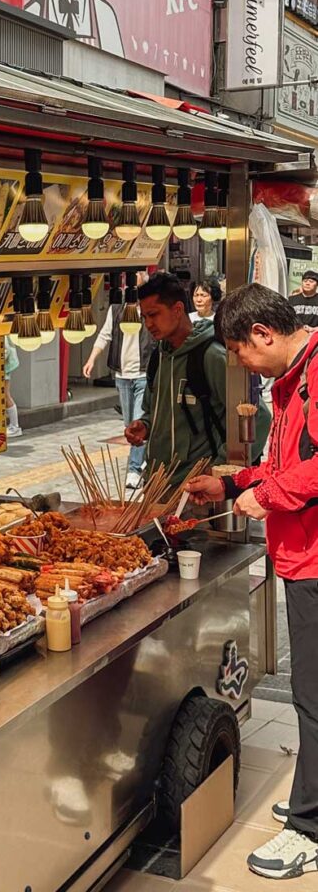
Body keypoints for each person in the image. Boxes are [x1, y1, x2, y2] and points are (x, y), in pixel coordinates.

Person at [186, 284, 318, 880]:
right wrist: (234, 484)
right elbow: (288, 461)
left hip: (316, 560)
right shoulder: (293, 381)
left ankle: (309, 830)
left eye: (239, 351)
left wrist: (267, 496)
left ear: (263, 335)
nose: (238, 363)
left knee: (313, 700)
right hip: (301, 555)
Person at [124, 272, 269, 486]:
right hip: (158, 484)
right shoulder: (158, 357)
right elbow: (152, 411)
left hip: (197, 492)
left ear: (178, 309)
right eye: (144, 317)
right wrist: (145, 426)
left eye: (154, 314)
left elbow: (259, 417)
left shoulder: (211, 356)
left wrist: (217, 471)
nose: (148, 324)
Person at [83, 286, 154, 490]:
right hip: (122, 376)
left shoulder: (146, 311)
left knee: (137, 422)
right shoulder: (116, 310)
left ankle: (134, 470)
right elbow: (105, 336)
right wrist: (91, 359)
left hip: (142, 375)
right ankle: (143, 461)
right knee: (129, 425)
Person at [5, 336, 22, 439]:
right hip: (5, 364)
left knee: (5, 395)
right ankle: (14, 425)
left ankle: (15, 426)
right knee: (4, 395)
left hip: (3, 365)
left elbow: (5, 350)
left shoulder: (0, 328)